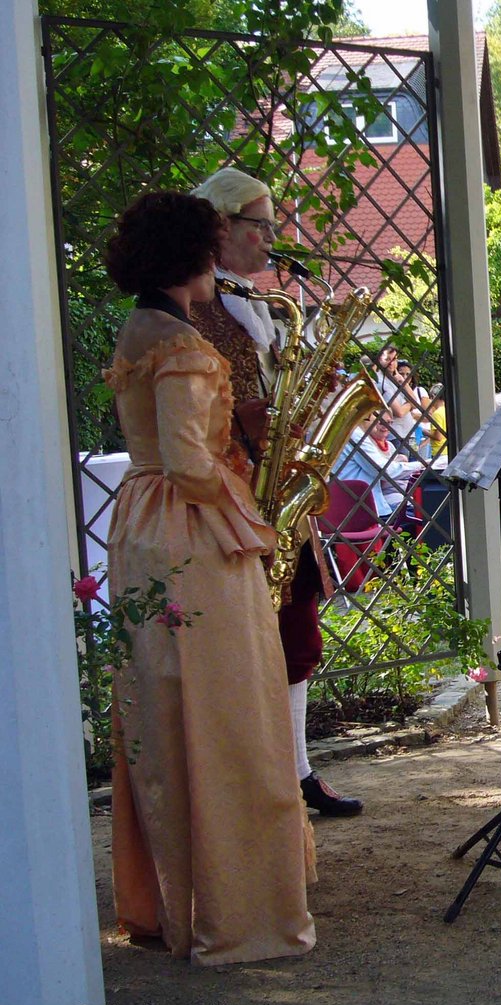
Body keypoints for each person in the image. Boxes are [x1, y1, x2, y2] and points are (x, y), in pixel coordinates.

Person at [103, 190, 316, 964]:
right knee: (226, 709)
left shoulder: (140, 329)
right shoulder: (188, 346)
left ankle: (170, 897)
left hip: (142, 524)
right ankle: (238, 909)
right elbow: (194, 465)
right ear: (191, 255)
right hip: (192, 532)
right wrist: (254, 491)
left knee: (163, 708)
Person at [189, 166, 361, 816]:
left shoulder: (250, 302)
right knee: (249, 648)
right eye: (261, 225)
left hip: (276, 488)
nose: (272, 238)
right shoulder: (196, 309)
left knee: (298, 637)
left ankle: (297, 770)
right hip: (235, 496)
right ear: (222, 227)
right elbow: (222, 411)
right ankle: (263, 780)